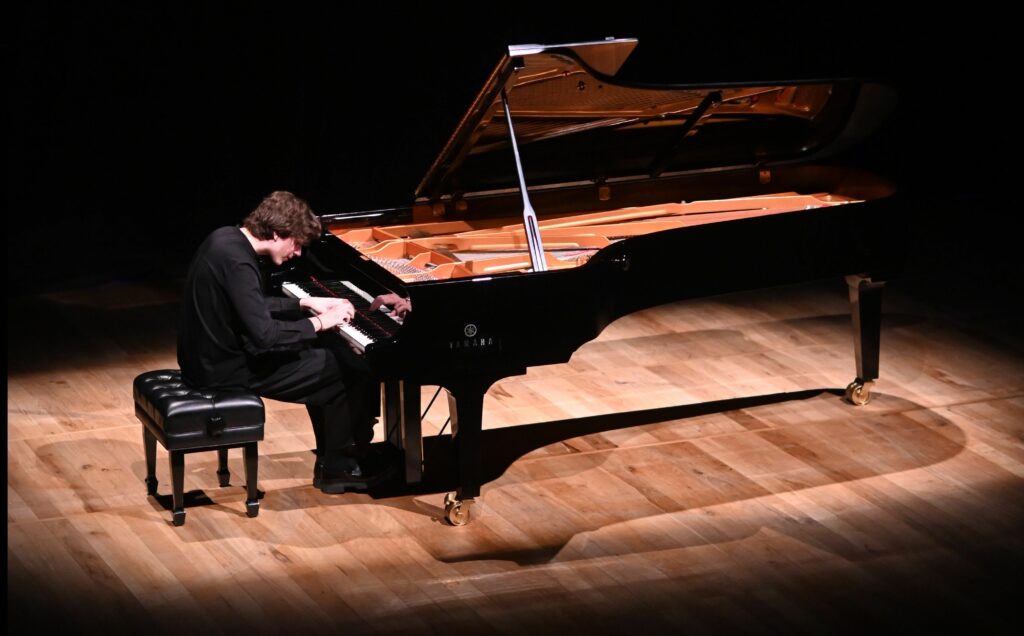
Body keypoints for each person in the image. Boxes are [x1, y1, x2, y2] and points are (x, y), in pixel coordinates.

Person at [177, 190, 401, 493]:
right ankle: (338, 467)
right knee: (346, 365)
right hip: (223, 370)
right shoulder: (239, 262)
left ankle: (336, 454)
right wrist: (324, 321)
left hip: (207, 358)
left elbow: (249, 306)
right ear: (276, 233)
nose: (297, 253)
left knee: (324, 352)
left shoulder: (225, 240)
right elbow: (266, 336)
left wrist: (305, 304)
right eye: (295, 243)